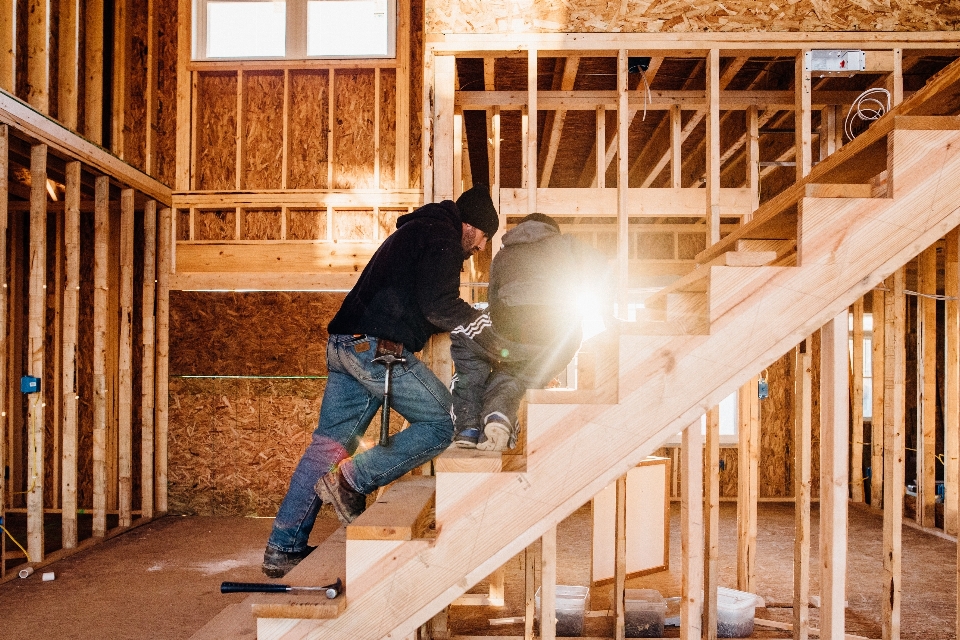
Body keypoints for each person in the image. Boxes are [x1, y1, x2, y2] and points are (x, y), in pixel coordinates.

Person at [262, 184, 518, 578]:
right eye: (484, 238)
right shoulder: (444, 238)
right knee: (445, 423)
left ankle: (283, 548)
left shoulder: (417, 231)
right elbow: (440, 304)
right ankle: (351, 480)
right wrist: (487, 332)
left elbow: (421, 304)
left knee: (327, 446)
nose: (480, 248)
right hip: (375, 350)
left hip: (345, 344)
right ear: (470, 226)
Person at [450, 213, 613, 451]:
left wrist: (501, 338)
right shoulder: (567, 245)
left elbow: (493, 302)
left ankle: (468, 426)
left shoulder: (503, 254)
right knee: (519, 375)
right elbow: (602, 267)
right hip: (558, 338)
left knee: (463, 334)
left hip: (511, 330)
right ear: (551, 230)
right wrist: (609, 318)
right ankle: (498, 415)